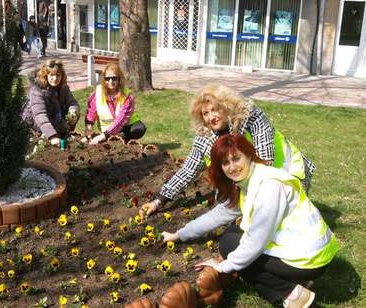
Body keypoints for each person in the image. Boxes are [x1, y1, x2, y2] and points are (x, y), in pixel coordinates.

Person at [162, 134, 339, 307]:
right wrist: (179, 234)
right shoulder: (248, 182)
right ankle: (295, 286)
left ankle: (292, 294)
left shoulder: (269, 186)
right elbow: (218, 215)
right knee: (232, 236)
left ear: (248, 155)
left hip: (309, 259)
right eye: (225, 163)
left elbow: (255, 241)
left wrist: (224, 267)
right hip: (303, 251)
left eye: (236, 158)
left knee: (231, 245)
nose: (232, 167)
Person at [139, 84, 315, 217]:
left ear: (226, 106)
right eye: (205, 113)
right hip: (254, 177)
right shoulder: (205, 136)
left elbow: (265, 161)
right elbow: (188, 170)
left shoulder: (251, 118)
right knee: (225, 202)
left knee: (278, 218)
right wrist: (158, 201)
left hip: (288, 174)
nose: (211, 117)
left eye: (215, 110)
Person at [83, 63, 146, 144]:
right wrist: (88, 129)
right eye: (107, 79)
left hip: (125, 125)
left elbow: (121, 119)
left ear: (119, 79)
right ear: (104, 79)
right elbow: (91, 113)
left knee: (139, 128)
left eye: (114, 78)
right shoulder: (97, 93)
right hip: (106, 127)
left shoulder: (127, 96)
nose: (110, 81)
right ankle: (116, 138)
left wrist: (103, 136)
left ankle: (120, 137)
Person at [22, 60, 80, 146]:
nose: (55, 78)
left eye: (58, 75)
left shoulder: (63, 87)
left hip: (55, 118)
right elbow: (40, 115)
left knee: (74, 115)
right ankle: (46, 136)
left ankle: (64, 133)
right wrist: (52, 136)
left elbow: (72, 102)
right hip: (35, 125)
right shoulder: (36, 90)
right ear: (45, 75)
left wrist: (73, 111)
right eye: (52, 75)